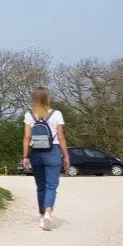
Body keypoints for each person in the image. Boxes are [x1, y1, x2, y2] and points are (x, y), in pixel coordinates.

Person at [22, 87, 70, 231]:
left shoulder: (29, 115)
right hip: (53, 152)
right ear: (47, 98)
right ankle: (48, 213)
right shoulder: (56, 114)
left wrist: (25, 156)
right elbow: (61, 136)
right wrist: (66, 155)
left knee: (41, 186)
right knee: (51, 186)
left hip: (36, 153)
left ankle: (42, 215)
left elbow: (26, 137)